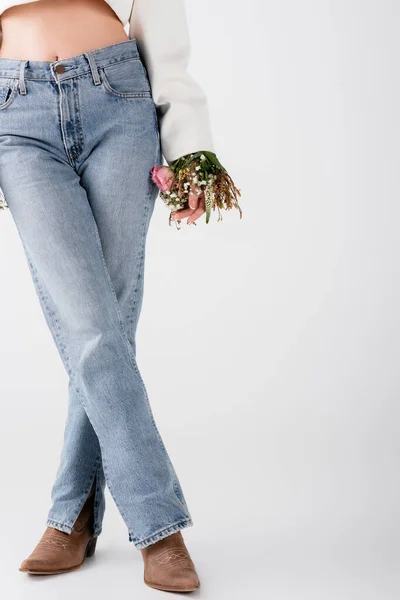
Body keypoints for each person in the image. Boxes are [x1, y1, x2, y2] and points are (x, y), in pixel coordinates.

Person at [0, 0, 229, 593]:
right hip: (14, 112)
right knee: (92, 328)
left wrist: (189, 149)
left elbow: (162, 29)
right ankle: (160, 527)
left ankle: (72, 516)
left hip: (119, 102)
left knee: (105, 329)